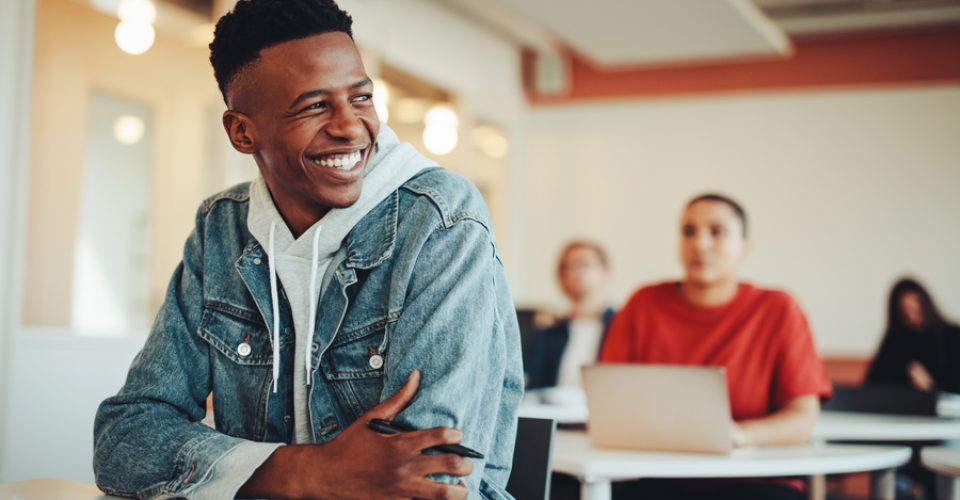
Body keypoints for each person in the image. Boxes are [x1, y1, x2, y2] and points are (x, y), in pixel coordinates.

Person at [92, 1, 523, 498]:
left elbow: (429, 479)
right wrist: (310, 472)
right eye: (314, 105)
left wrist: (250, 472)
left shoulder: (442, 219)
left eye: (361, 98)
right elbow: (124, 439)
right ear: (242, 132)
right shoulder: (222, 228)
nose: (350, 126)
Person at [599, 193, 833, 500]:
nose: (700, 244)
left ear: (744, 248)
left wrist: (741, 434)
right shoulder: (643, 304)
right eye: (688, 232)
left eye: (717, 232)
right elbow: (608, 403)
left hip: (754, 479)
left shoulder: (779, 309)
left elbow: (802, 419)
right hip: (657, 475)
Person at [525, 240, 615, 390]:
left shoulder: (622, 327)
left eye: (583, 264)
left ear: (605, 271)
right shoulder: (549, 333)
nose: (573, 272)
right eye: (566, 267)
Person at [866, 277, 960, 394]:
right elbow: (873, 387)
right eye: (906, 310)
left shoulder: (952, 336)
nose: (913, 316)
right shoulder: (894, 341)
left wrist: (931, 386)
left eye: (917, 308)